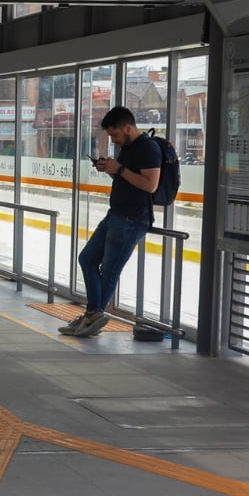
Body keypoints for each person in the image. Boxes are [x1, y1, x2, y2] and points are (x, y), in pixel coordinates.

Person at [65, 105, 163, 338]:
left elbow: (150, 185)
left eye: (115, 135)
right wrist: (110, 169)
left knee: (109, 270)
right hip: (116, 214)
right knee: (87, 259)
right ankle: (92, 315)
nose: (114, 140)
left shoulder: (148, 149)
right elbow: (126, 176)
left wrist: (119, 169)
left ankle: (92, 315)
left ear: (128, 127)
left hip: (133, 219)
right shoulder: (127, 148)